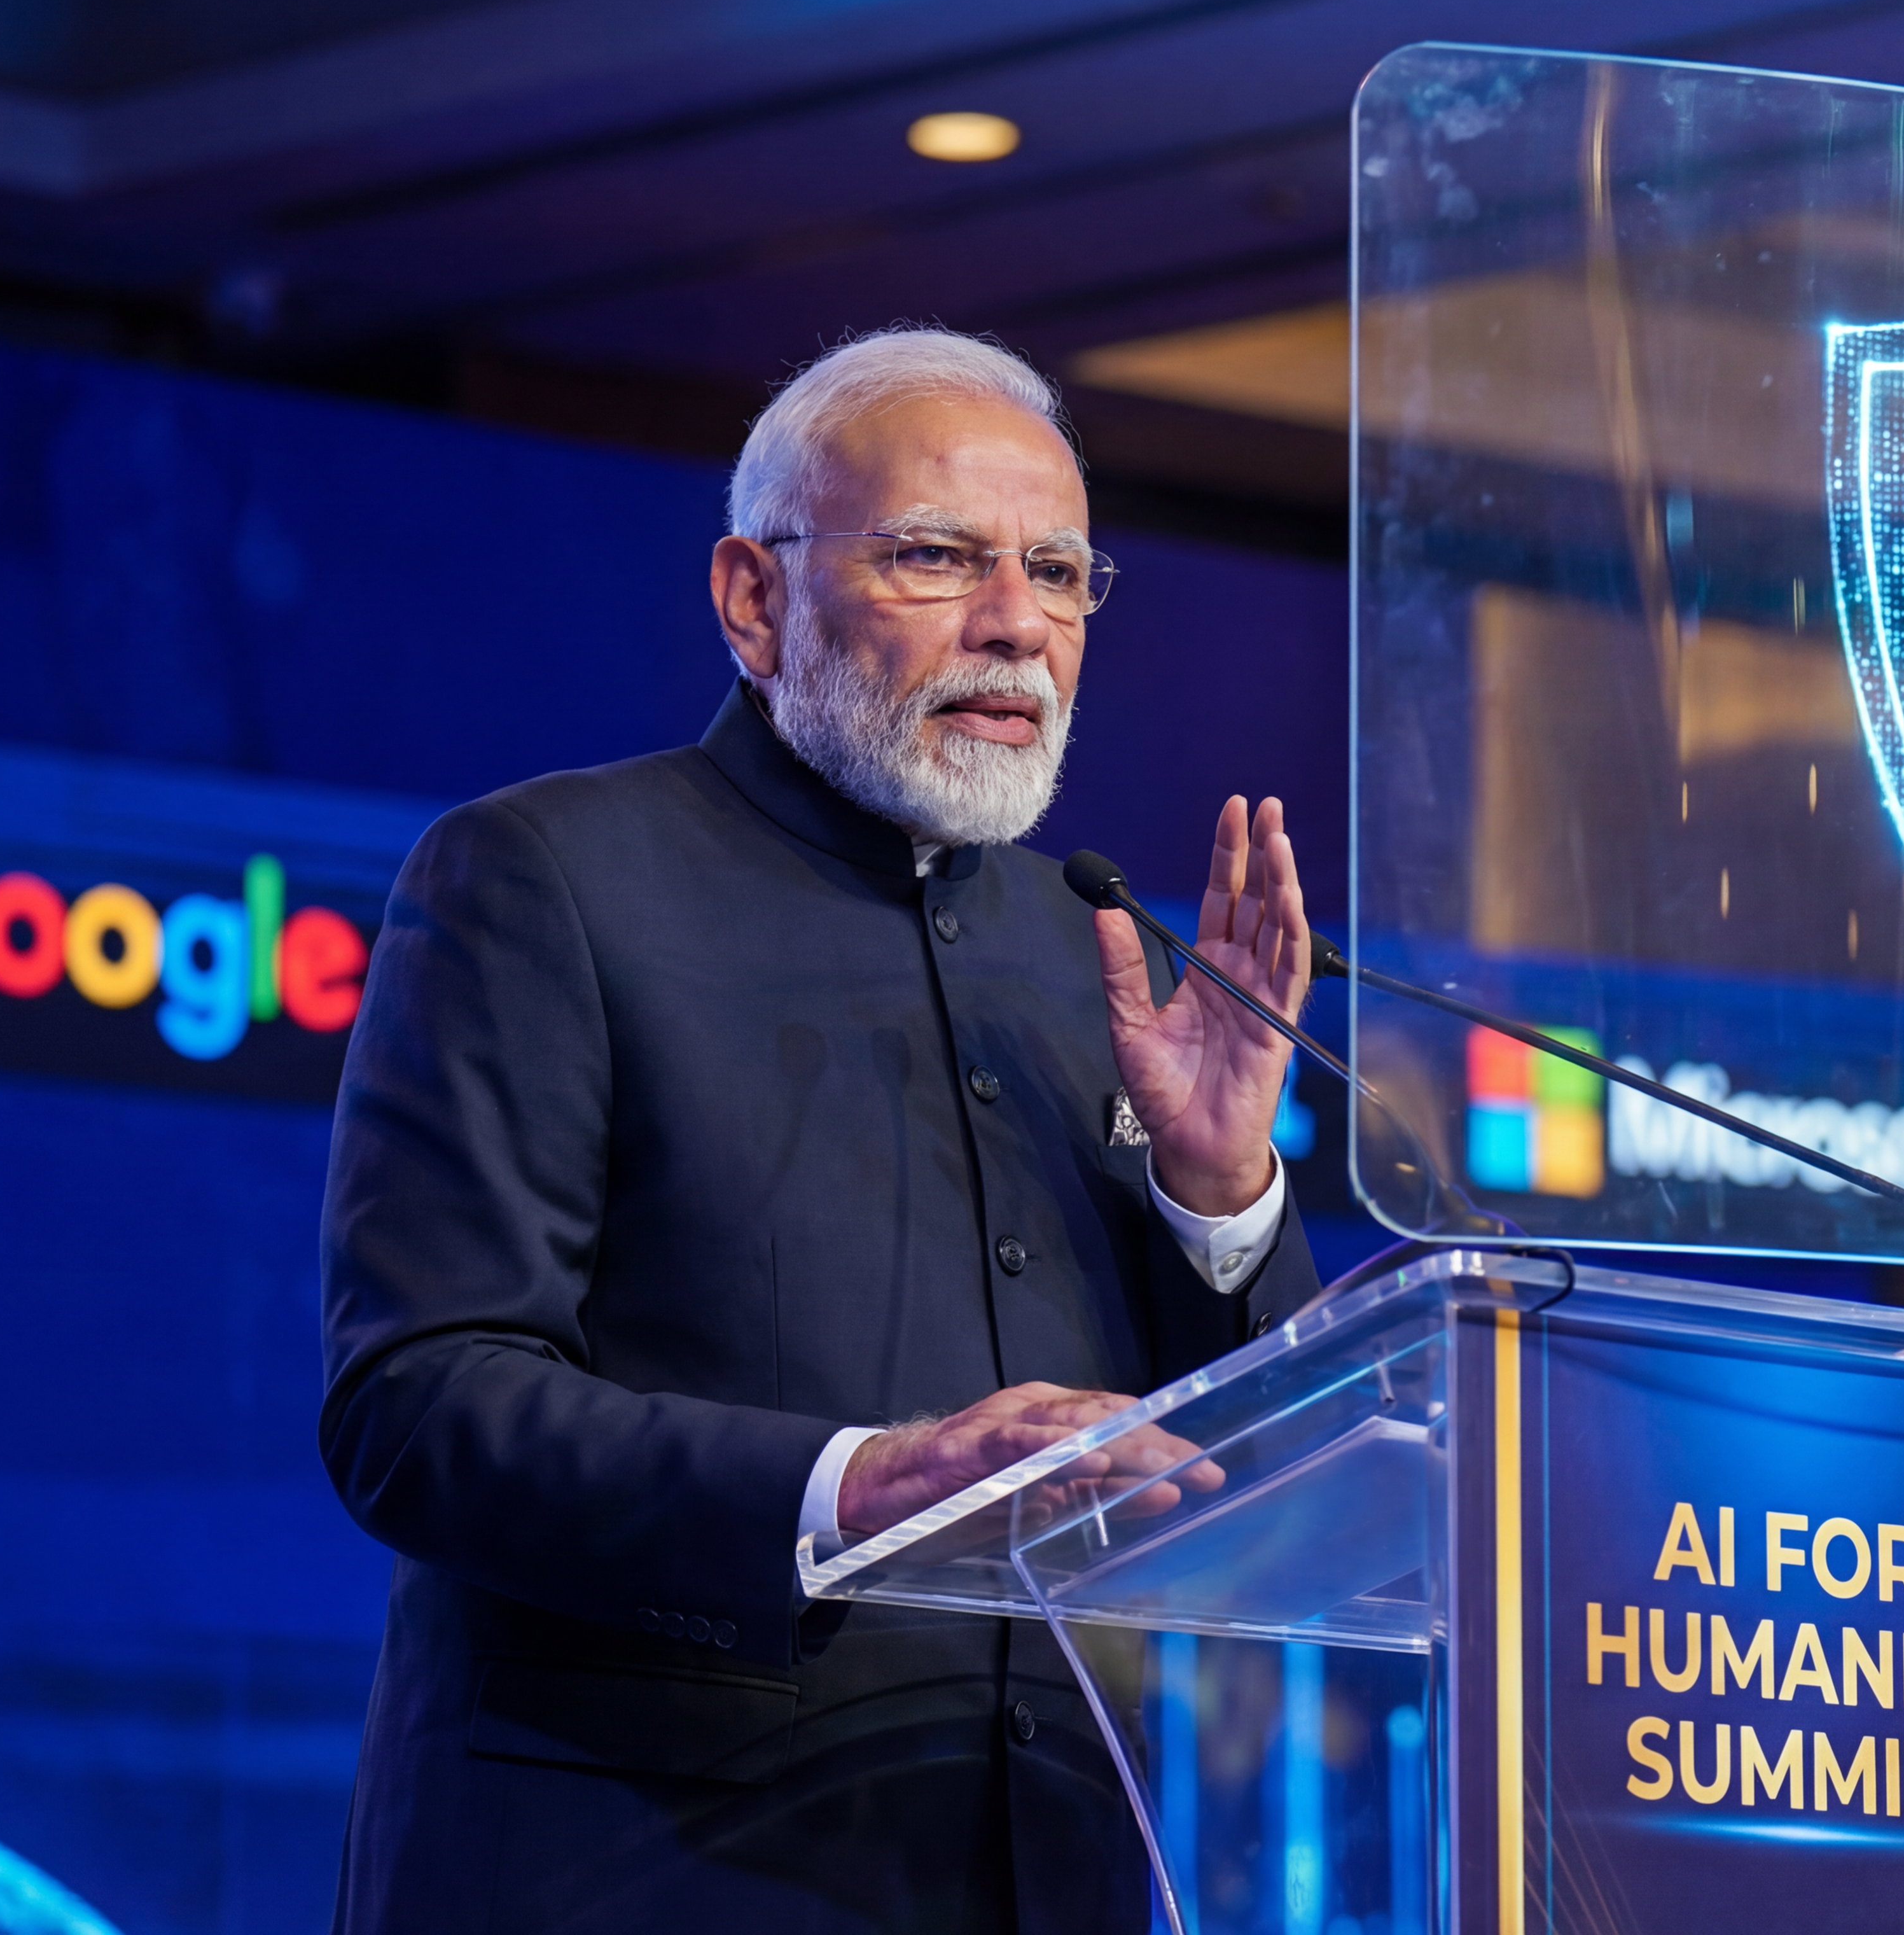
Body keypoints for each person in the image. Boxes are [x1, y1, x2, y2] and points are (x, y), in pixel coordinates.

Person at [317, 326, 1319, 1934]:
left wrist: (1221, 1195)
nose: (1017, 624)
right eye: (939, 556)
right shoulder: (546, 878)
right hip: (637, 1879)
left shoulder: (1097, 952)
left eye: (1058, 573)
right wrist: (865, 1483)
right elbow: (419, 1408)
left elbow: (1256, 1476)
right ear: (751, 598)